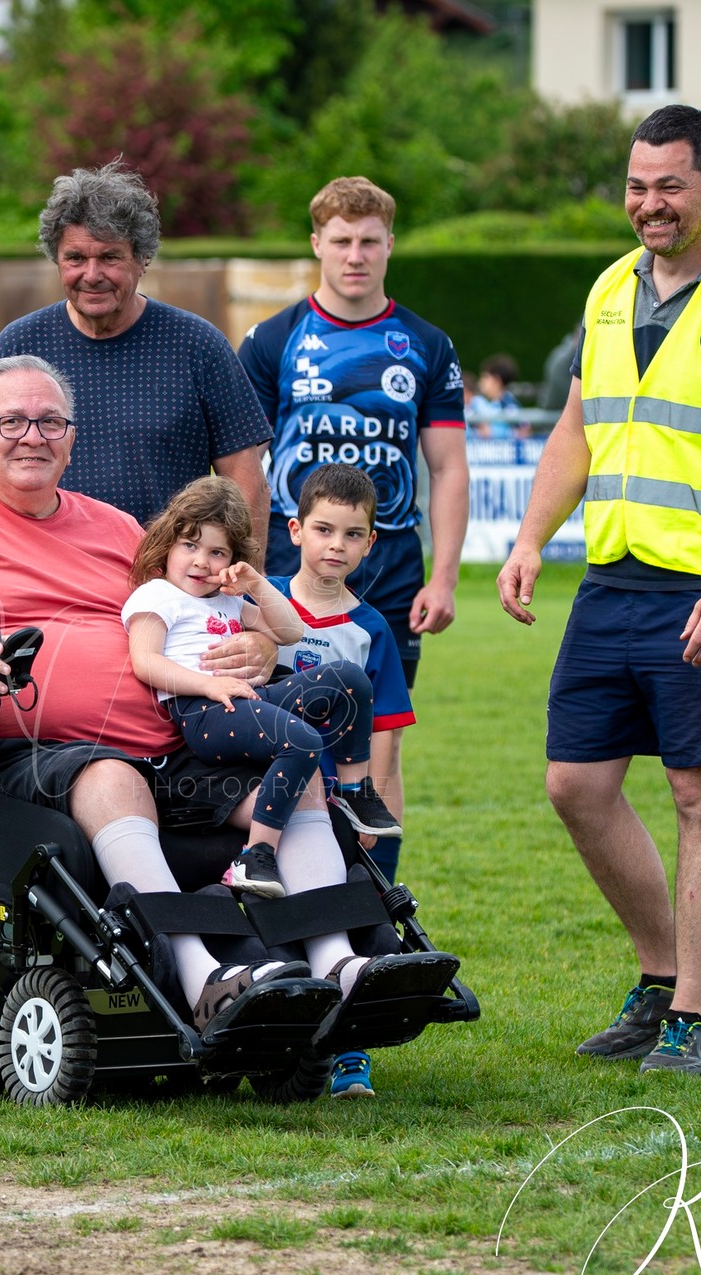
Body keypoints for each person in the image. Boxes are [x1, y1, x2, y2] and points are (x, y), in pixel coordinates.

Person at [0, 355, 345, 1030]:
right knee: (110, 773)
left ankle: (339, 961)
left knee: (293, 776)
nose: (33, 435)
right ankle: (204, 977)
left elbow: (203, 610)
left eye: (50, 421)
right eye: (11, 420)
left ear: (72, 437)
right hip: (7, 750)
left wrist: (261, 644)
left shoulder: (118, 529)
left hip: (174, 740)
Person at [495, 104, 701, 1077]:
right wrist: (528, 539)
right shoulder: (606, 290)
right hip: (612, 580)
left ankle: (687, 1020)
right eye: (636, 186)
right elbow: (574, 434)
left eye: (668, 185)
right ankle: (661, 974)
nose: (648, 204)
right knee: (574, 784)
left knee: (697, 796)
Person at [238, 174, 469, 887]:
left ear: (390, 244)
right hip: (286, 579)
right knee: (279, 740)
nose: (356, 254)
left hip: (390, 576)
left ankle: (374, 899)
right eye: (341, 240)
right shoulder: (273, 341)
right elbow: (240, 467)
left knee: (381, 752)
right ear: (317, 243)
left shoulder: (426, 344)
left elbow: (449, 466)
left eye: (370, 240)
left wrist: (446, 575)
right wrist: (243, 574)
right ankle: (280, 882)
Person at [121, 476, 398, 900]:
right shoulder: (156, 595)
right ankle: (256, 854)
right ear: (168, 546)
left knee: (349, 680)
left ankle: (354, 794)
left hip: (243, 698)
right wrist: (210, 685)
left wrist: (254, 584)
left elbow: (290, 631)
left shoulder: (229, 600)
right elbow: (146, 662)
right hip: (202, 712)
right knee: (302, 740)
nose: (201, 562)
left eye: (217, 553)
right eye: (190, 546)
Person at [0, 162, 272, 538]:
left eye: (109, 257)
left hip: (168, 577)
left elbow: (247, 485)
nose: (91, 274)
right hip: (45, 575)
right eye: (75, 258)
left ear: (142, 259)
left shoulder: (197, 346)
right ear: (57, 260)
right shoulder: (20, 346)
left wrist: (245, 586)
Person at [269, 463, 418, 1098]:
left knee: (354, 920)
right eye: (324, 530)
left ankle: (352, 1052)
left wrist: (380, 824)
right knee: (285, 915)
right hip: (274, 802)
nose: (336, 545)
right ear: (296, 529)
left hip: (343, 807)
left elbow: (387, 738)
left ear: (369, 543)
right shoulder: (260, 604)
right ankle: (287, 1033)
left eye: (352, 534)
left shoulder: (372, 630)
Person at [465, 354, 528, 438]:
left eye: (485, 377)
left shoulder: (511, 405)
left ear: (496, 380)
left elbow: (524, 431)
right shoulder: (478, 402)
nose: (481, 382)